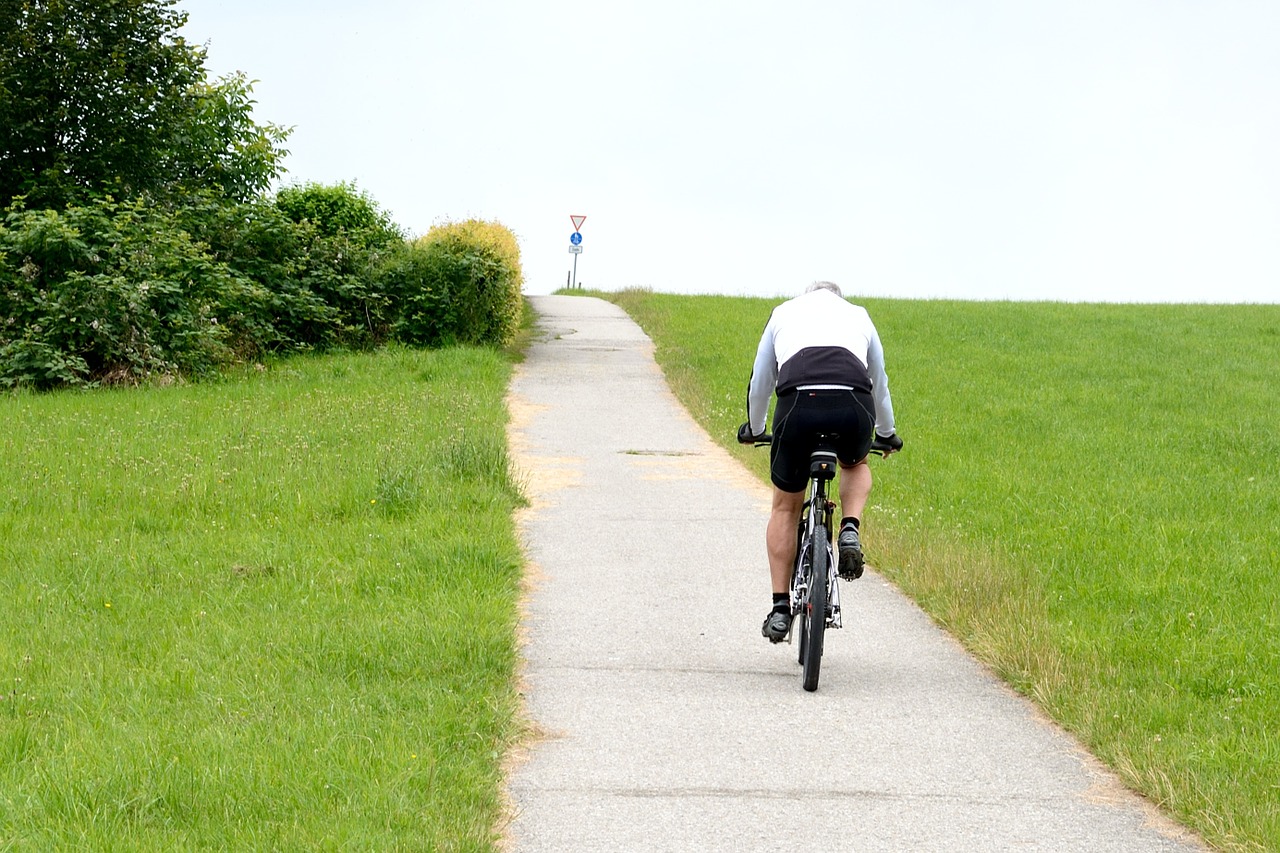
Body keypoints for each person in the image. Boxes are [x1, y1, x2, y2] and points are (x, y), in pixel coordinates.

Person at [737, 281, 902, 643]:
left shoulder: (783, 312)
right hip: (852, 404)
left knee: (785, 508)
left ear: (806, 295)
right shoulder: (859, 315)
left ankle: (781, 609)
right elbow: (879, 382)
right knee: (855, 464)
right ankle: (850, 527)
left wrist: (755, 426)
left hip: (797, 406)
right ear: (838, 299)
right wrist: (887, 433)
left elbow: (762, 377)